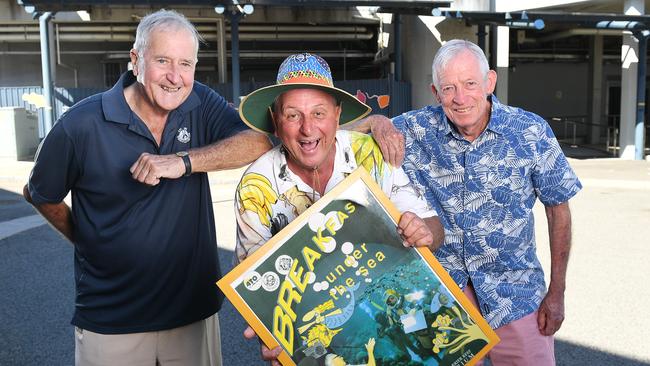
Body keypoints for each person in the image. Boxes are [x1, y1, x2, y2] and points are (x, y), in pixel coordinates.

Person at [22, 9, 271, 366]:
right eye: (163, 61)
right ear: (136, 60)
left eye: (185, 63)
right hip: (111, 318)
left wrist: (182, 161)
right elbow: (39, 192)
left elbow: (259, 141)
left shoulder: (200, 103)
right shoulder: (80, 124)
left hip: (192, 311)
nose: (175, 77)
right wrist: (86, 238)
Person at [370, 39, 583, 365]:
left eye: (470, 84)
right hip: (441, 298)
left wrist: (557, 293)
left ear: (490, 82)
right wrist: (376, 122)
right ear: (435, 92)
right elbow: (336, 130)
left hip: (515, 295)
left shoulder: (530, 131)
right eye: (449, 88)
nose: (460, 97)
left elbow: (559, 211)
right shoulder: (412, 130)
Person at [234, 53, 445, 365]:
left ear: (337, 114)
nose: (307, 129)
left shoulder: (370, 154)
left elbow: (435, 229)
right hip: (317, 334)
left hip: (389, 307)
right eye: (293, 115)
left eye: (319, 113)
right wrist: (270, 335)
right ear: (275, 122)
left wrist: (424, 230)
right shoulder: (256, 189)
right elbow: (260, 291)